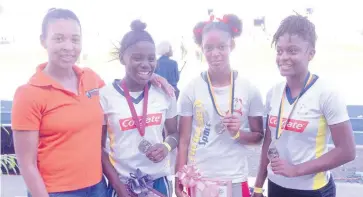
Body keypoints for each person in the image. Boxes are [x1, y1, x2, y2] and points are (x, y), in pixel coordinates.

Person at [11, 8, 174, 197]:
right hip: (57, 192)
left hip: (98, 188)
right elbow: (27, 164)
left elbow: (122, 91)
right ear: (43, 41)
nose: (68, 46)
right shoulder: (28, 94)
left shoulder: (90, 79)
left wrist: (150, 75)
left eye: (74, 39)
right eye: (59, 38)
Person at [252, 15, 356, 197]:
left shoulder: (327, 93)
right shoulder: (273, 93)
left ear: (311, 53)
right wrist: (259, 185)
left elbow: (347, 151)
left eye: (292, 51)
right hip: (276, 186)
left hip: (312, 190)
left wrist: (296, 170)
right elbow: (269, 142)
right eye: (279, 51)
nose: (283, 57)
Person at [175, 14, 265, 197]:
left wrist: (238, 133)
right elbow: (183, 140)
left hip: (234, 177)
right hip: (198, 178)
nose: (215, 53)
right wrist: (179, 176)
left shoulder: (249, 89)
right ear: (201, 48)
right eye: (209, 47)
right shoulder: (191, 89)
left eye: (221, 47)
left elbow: (259, 137)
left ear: (232, 45)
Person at [100, 20, 179, 197]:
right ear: (122, 58)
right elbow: (99, 150)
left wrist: (166, 146)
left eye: (151, 59)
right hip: (121, 185)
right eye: (137, 58)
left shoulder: (165, 93)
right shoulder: (105, 96)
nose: (146, 64)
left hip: (158, 184)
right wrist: (119, 189)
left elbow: (175, 134)